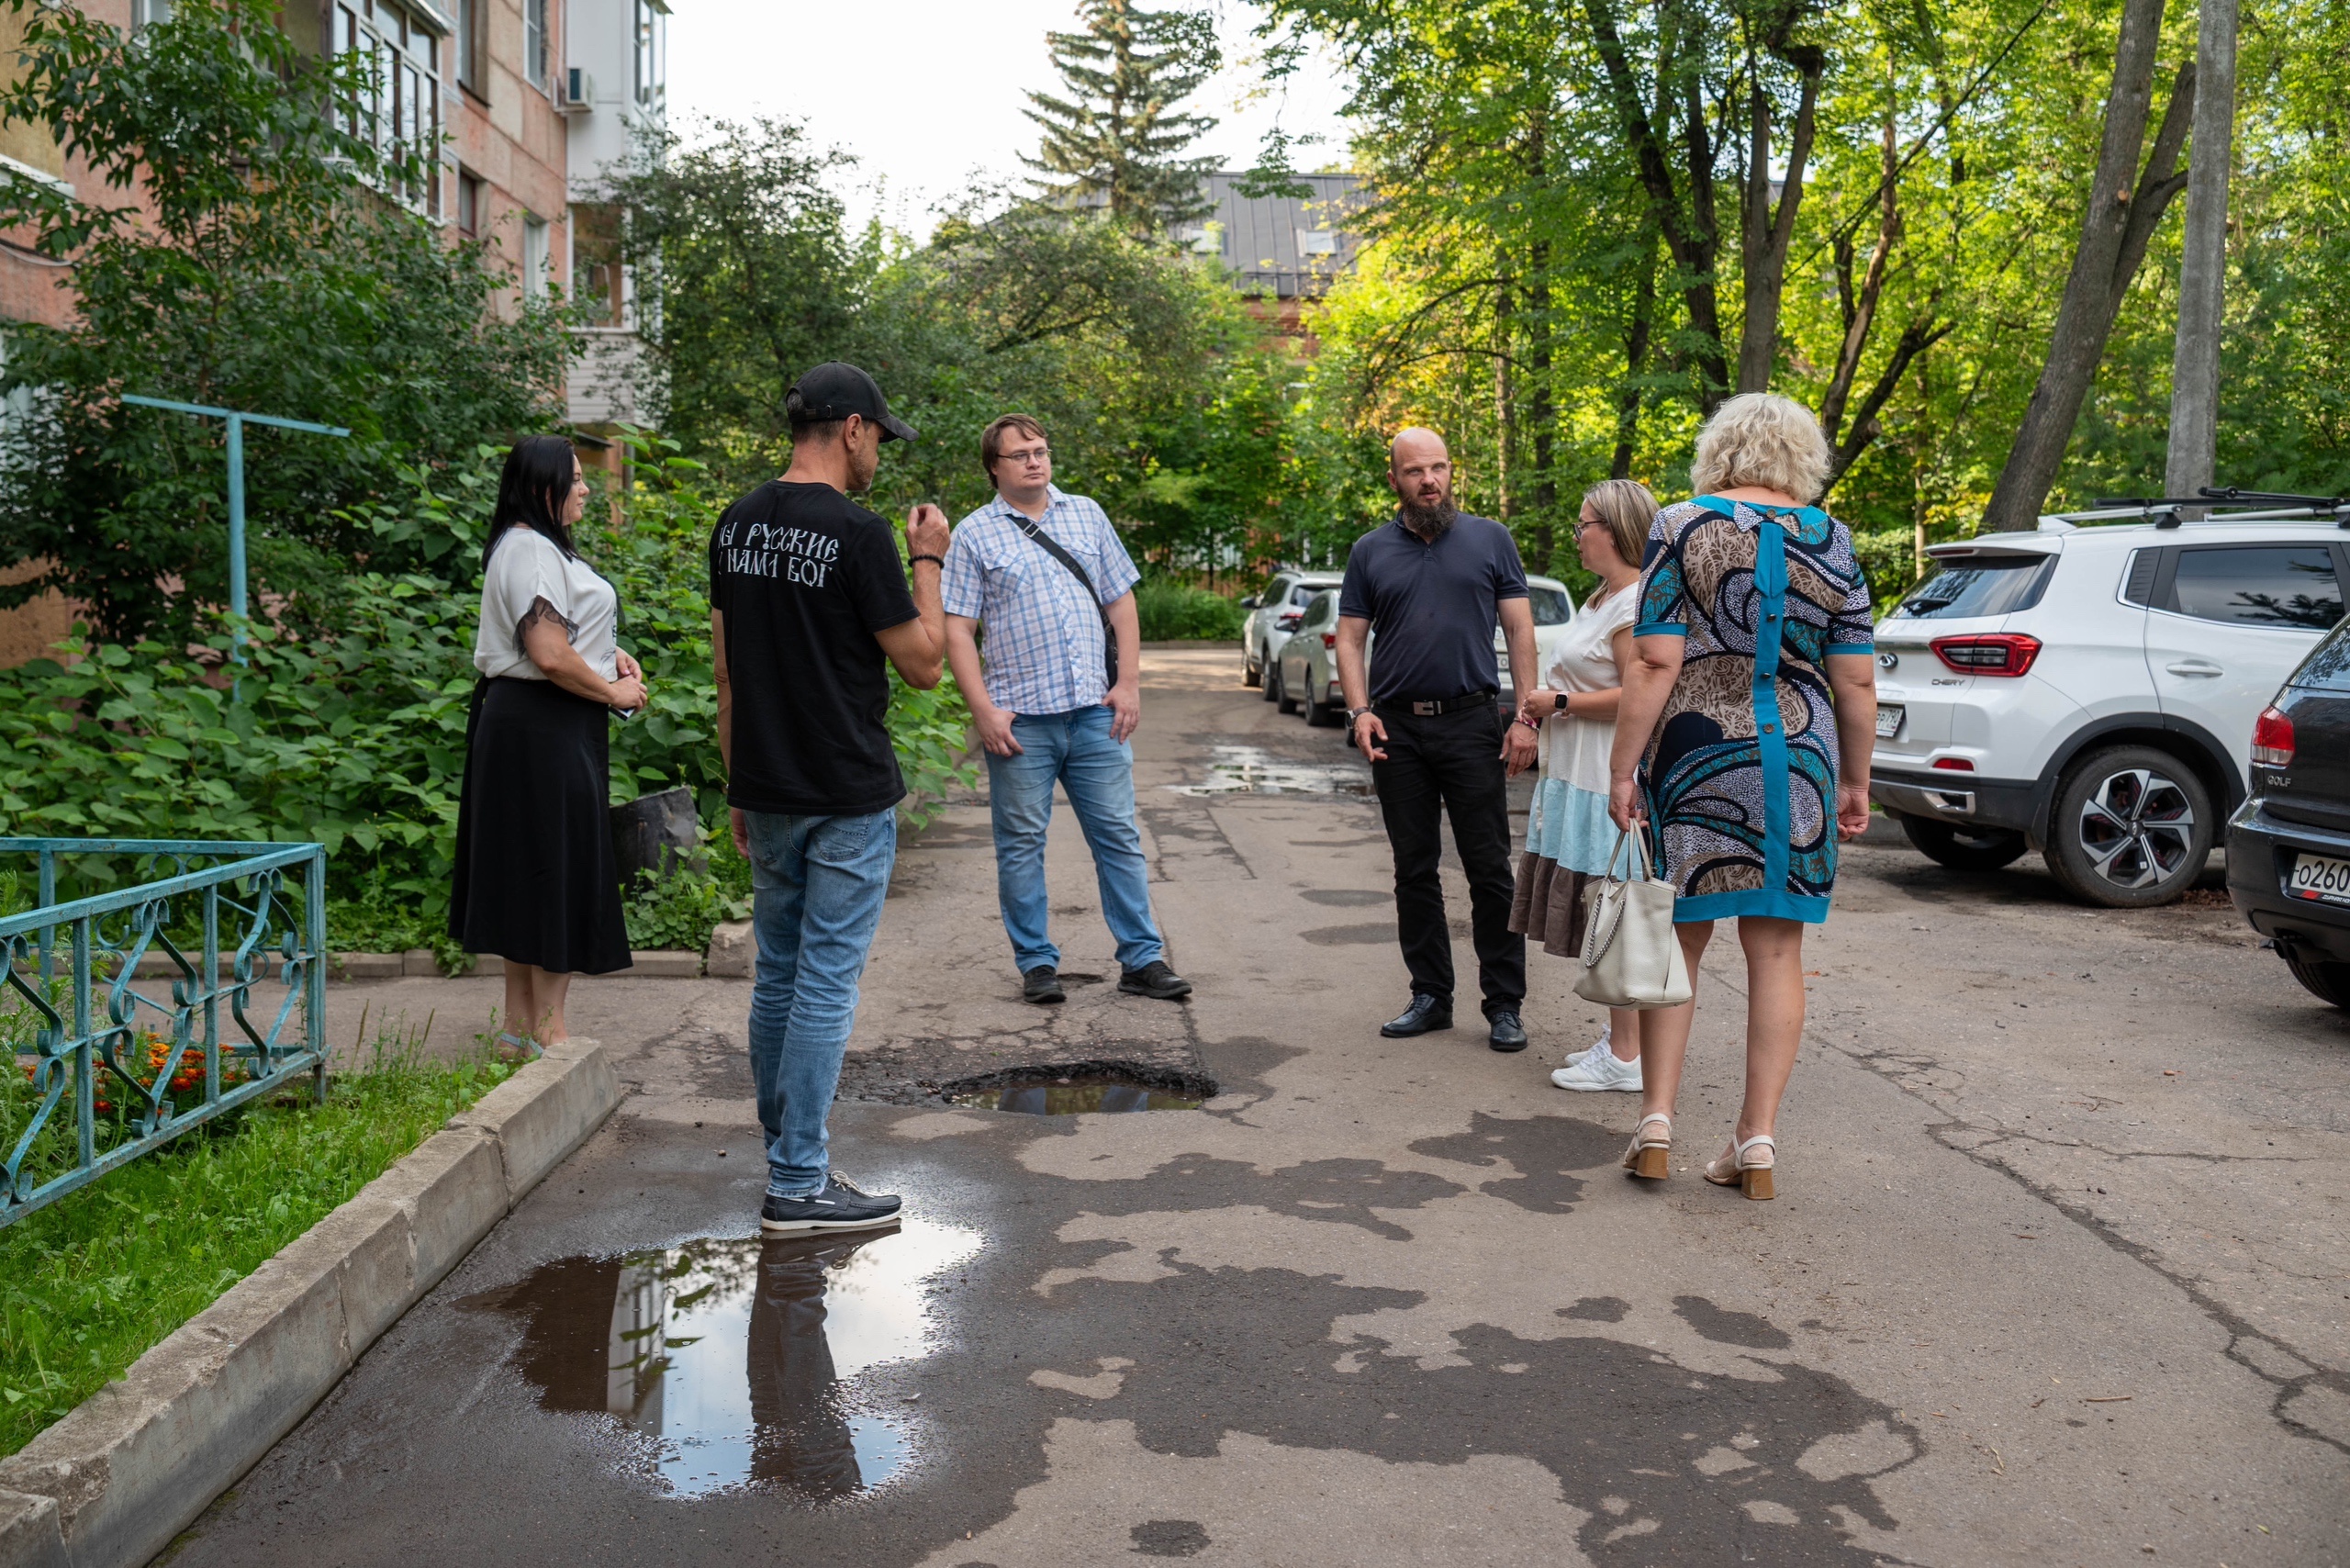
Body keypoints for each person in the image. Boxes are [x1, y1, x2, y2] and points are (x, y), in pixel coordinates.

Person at [1607, 393, 1877, 1200]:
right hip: (1801, 761)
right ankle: (1754, 1142)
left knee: (1680, 941)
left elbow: (1655, 662)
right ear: (1803, 456)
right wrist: (1858, 779)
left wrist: (1623, 769)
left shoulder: (1679, 526)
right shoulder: (1833, 539)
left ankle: (1656, 1122)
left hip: (1696, 754)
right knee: (1778, 951)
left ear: (1720, 449)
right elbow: (1857, 679)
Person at [710, 362, 951, 1234]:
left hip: (767, 786)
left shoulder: (734, 525)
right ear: (851, 428)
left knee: (778, 977)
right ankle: (800, 1181)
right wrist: (928, 560)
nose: (879, 455)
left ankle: (789, 1155)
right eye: (879, 437)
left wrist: (740, 782)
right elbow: (923, 665)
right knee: (823, 988)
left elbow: (728, 673)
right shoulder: (858, 534)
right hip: (845, 791)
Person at [940, 414, 1192, 1006]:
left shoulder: (1086, 514)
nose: (1035, 460)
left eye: (1042, 450)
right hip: (1020, 724)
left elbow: (1121, 602)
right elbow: (958, 631)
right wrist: (983, 711)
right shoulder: (974, 535)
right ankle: (1037, 965)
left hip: (1095, 715)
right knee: (1021, 844)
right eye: (1021, 453)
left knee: (1119, 838)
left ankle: (1142, 960)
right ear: (994, 468)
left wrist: (1128, 683)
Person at [1337, 427, 1540, 1051]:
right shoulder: (1370, 551)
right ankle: (1431, 997)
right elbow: (1348, 640)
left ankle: (1504, 1004)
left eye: (1440, 468)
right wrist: (1358, 712)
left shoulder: (1490, 540)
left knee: (1489, 869)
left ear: (1453, 472)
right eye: (1416, 471)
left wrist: (1526, 716)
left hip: (1472, 722)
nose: (1430, 480)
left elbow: (1521, 630)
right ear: (1394, 480)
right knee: (1414, 869)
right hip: (1396, 727)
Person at [451, 435, 646, 1054]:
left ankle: (517, 1029)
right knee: (556, 867)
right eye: (576, 478)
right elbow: (547, 653)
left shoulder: (525, 546)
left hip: (526, 721)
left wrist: (601, 650)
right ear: (543, 487)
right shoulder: (532, 549)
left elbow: (556, 639)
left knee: (525, 868)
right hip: (545, 722)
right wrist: (613, 693)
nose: (586, 487)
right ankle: (550, 1033)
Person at [1511, 479, 1659, 1092]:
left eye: (1584, 524)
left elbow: (1639, 693)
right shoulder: (1601, 598)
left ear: (1618, 528)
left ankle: (1626, 1059)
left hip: (1606, 782)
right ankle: (1619, 1042)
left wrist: (1562, 700)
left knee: (1616, 915)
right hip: (1577, 777)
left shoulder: (1633, 604)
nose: (1577, 535)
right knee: (1601, 912)